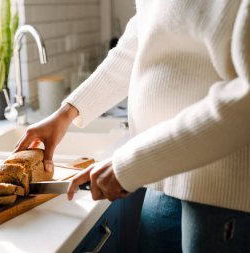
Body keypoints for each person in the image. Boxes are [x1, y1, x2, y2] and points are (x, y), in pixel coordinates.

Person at [14, 0, 250, 252]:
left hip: (221, 192)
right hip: (160, 177)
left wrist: (133, 164)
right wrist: (67, 111)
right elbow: (141, 40)